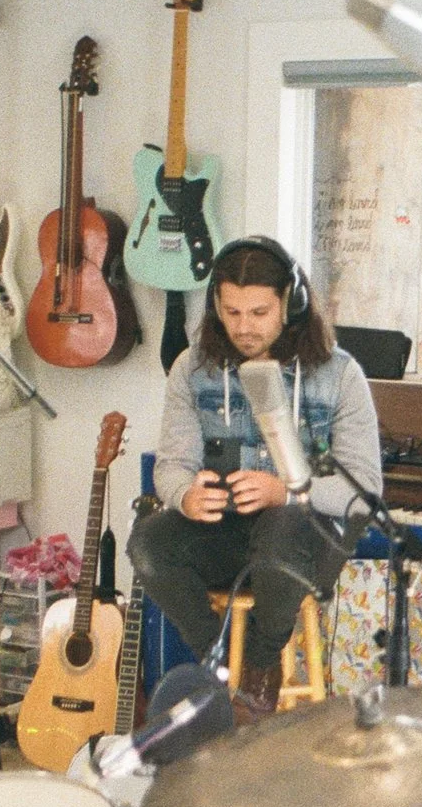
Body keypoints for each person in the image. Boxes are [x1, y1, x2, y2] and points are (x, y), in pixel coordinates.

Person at [129, 236, 380, 711]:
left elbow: (364, 493)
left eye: (259, 313)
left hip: (304, 542)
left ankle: (261, 665)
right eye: (232, 312)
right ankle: (222, 665)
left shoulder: (341, 375)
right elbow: (171, 466)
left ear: (291, 304)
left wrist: (285, 491)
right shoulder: (191, 369)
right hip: (226, 538)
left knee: (283, 525)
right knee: (148, 541)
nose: (244, 327)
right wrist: (185, 495)